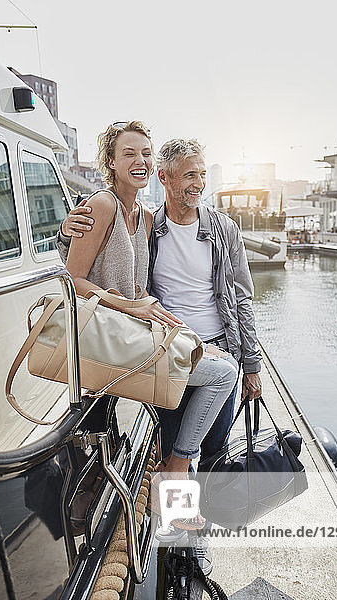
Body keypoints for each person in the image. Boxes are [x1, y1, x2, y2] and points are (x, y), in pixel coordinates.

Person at [59, 122, 238, 529]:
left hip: (132, 333)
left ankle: (177, 499)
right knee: (223, 374)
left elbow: (136, 281)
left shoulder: (143, 216)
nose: (139, 161)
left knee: (220, 375)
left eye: (145, 153)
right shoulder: (102, 205)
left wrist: (143, 305)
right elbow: (72, 280)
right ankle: (173, 477)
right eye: (129, 154)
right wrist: (133, 306)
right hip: (107, 336)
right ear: (111, 161)